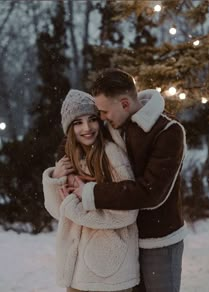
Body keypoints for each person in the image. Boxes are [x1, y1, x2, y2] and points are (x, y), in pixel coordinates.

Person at [74, 69, 187, 292]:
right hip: (125, 239)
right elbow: (77, 138)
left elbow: (151, 193)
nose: (102, 118)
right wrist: (63, 168)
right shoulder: (113, 125)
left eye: (105, 112)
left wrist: (92, 193)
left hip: (158, 241)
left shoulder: (168, 131)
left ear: (125, 104)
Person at [42, 89, 140, 292]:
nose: (86, 128)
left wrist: (75, 208)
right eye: (78, 122)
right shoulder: (69, 159)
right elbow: (58, 213)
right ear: (69, 128)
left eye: (92, 119)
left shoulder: (112, 155)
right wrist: (55, 179)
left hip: (110, 272)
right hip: (77, 272)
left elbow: (127, 213)